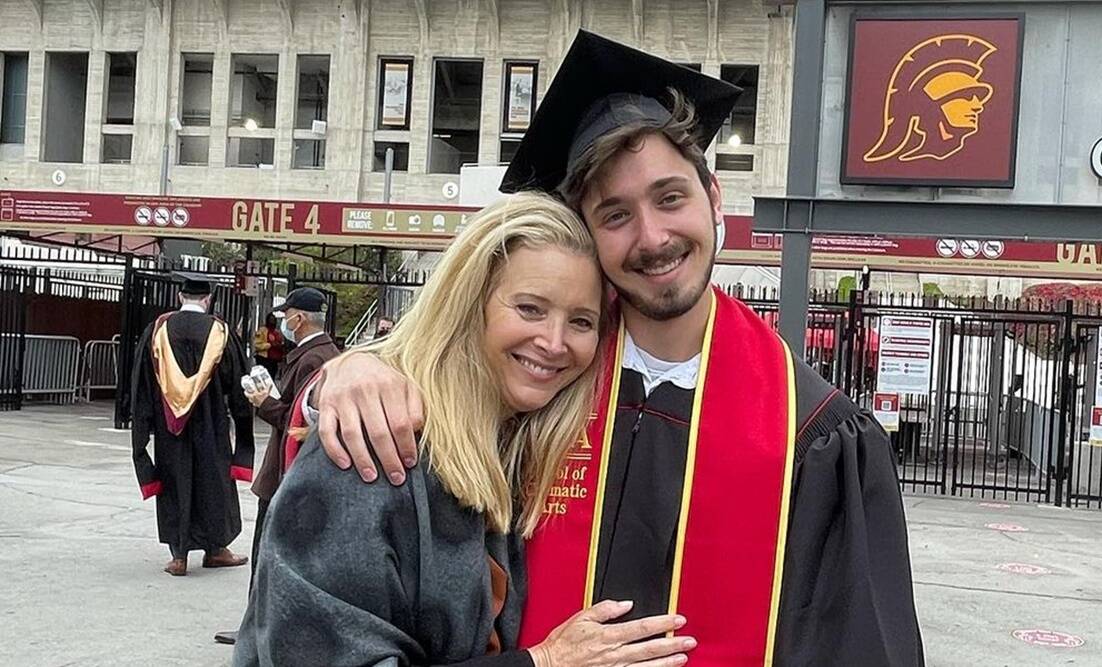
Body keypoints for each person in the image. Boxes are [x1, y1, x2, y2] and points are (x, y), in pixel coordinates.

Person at [311, 31, 924, 665]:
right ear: (588, 233)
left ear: (713, 199)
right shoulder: (544, 376)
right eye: (615, 215)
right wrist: (351, 369)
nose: (652, 237)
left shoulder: (812, 428)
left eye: (670, 198)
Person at [235, 193, 695, 666]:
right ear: (470, 303)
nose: (555, 342)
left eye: (581, 321)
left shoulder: (509, 447)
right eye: (530, 309)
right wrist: (546, 662)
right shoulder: (375, 447)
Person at [213, 287, 340, 646]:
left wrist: (263, 403)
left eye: (286, 317)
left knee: (268, 553)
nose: (283, 322)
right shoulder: (319, 353)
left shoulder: (314, 359)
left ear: (299, 318)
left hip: (289, 469)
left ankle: (257, 629)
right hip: (295, 470)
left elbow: (299, 419)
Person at [130, 274, 255, 577]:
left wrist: (142, 425)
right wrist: (243, 426)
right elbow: (237, 385)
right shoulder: (220, 332)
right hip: (211, 423)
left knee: (175, 479)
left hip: (169, 426)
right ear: (208, 300)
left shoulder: (157, 331)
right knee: (213, 480)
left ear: (179, 297)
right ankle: (216, 550)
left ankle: (179, 554)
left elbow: (142, 383)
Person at [253, 313, 285, 378]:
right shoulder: (262, 330)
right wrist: (269, 345)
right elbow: (257, 345)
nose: (272, 321)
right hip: (263, 359)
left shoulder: (277, 332)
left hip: (274, 361)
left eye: (273, 320)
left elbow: (281, 344)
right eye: (271, 320)